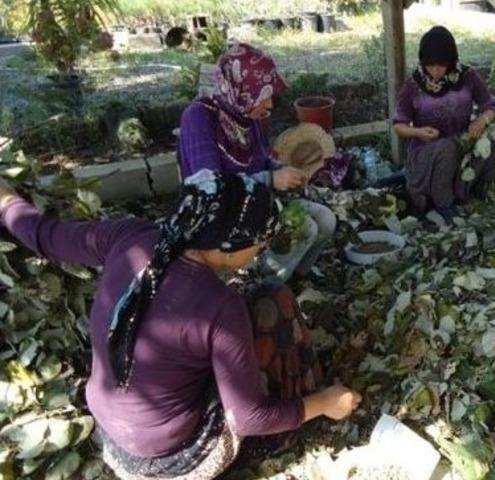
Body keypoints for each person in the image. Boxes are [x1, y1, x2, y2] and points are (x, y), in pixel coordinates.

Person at [0, 170, 361, 479]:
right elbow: (248, 418)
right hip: (175, 460)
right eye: (259, 244)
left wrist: (5, 200)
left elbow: (44, 235)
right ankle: (286, 429)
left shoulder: (129, 236)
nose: (259, 253)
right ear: (228, 245)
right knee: (272, 299)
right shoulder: (221, 306)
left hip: (110, 436)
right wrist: (325, 402)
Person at [178, 42, 335, 280]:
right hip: (220, 216)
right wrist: (270, 179)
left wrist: (283, 170)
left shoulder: (247, 116)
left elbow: (262, 161)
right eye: (263, 96)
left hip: (258, 201)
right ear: (241, 90)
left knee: (326, 220)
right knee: (305, 228)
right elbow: (211, 188)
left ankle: (294, 279)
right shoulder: (199, 118)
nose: (269, 104)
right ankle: (264, 285)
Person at [393, 26, 495, 222]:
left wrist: (481, 120)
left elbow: (491, 105)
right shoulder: (413, 85)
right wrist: (418, 132)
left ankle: (470, 190)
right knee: (447, 147)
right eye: (430, 65)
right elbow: (398, 125)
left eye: (441, 65)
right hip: (427, 153)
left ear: (451, 61)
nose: (435, 71)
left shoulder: (468, 77)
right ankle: (443, 202)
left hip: (463, 145)